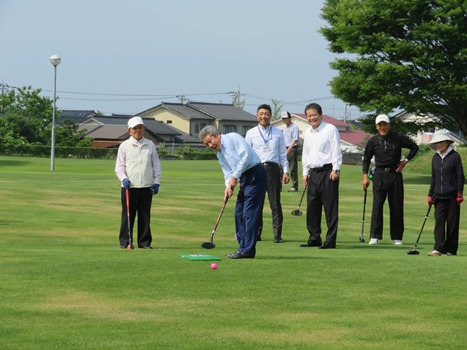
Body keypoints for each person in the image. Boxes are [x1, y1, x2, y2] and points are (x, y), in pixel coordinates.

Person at [199, 125, 267, 259]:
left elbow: (246, 157)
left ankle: (248, 250)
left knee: (249, 213)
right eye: (206, 144)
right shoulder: (219, 153)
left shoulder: (233, 138)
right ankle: (242, 247)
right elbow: (227, 172)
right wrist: (228, 187)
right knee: (238, 213)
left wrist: (235, 176)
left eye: (210, 141)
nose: (210, 145)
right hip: (244, 178)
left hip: (256, 174)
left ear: (217, 135)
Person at [362, 114, 419, 246]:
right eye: (380, 125)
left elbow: (414, 147)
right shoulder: (373, 141)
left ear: (389, 125)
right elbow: (366, 159)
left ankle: (397, 237)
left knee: (396, 206)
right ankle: (375, 236)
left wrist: (405, 161)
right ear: (376, 127)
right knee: (377, 206)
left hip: (395, 174)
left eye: (385, 124)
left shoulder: (398, 137)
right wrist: (365, 176)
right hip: (379, 174)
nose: (382, 127)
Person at [115, 116, 162, 249]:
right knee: (127, 216)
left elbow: (156, 165)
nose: (138, 130)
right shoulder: (124, 146)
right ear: (130, 130)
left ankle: (144, 242)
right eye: (135, 128)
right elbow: (119, 167)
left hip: (146, 187)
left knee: (145, 216)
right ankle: (125, 242)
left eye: (140, 127)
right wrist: (123, 178)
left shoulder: (150, 145)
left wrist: (157, 181)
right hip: (129, 187)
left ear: (143, 129)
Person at [300, 103, 342, 249]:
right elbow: (306, 153)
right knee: (312, 207)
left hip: (328, 171)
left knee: (330, 208)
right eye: (309, 116)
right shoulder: (308, 133)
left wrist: (336, 169)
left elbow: (336, 149)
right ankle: (314, 237)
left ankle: (330, 241)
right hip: (313, 173)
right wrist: (305, 173)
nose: (312, 118)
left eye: (314, 115)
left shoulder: (330, 129)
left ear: (320, 114)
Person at [245, 104, 289, 243]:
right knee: (257, 203)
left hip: (273, 169)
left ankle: (277, 235)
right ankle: (256, 233)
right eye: (261, 114)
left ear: (270, 116)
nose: (263, 116)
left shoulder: (278, 133)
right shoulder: (251, 133)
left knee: (275, 203)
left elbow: (282, 154)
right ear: (257, 115)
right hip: (256, 169)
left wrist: (286, 171)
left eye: (266, 114)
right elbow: (246, 154)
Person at [427, 129, 464, 256]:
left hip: (453, 196)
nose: (439, 144)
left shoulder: (455, 156)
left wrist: (460, 193)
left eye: (442, 141)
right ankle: (439, 248)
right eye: (437, 142)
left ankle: (451, 249)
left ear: (448, 142)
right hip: (439, 195)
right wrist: (430, 194)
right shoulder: (435, 158)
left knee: (452, 223)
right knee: (439, 222)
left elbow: (460, 176)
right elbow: (434, 177)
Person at [281, 111, 300, 192]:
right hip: (284, 149)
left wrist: (288, 150)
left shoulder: (294, 127)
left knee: (292, 168)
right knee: (281, 168)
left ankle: (294, 186)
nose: (284, 120)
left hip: (292, 149)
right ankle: (279, 186)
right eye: (283, 118)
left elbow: (294, 140)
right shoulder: (284, 128)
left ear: (289, 118)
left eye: (286, 118)